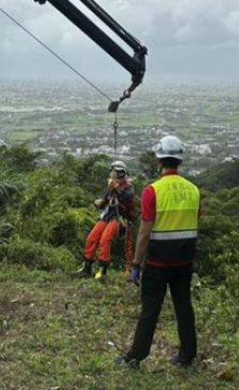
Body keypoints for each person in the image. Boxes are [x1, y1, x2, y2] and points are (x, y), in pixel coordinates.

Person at [117, 136, 200, 369]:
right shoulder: (194, 190)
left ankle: (136, 356)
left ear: (158, 160)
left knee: (150, 310)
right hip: (184, 261)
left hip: (158, 263)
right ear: (180, 161)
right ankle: (187, 355)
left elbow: (144, 232)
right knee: (184, 306)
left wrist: (136, 264)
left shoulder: (152, 191)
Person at [76, 160, 136, 280]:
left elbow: (127, 199)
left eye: (113, 171)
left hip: (119, 218)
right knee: (92, 238)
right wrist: (100, 203)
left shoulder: (128, 187)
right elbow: (105, 200)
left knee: (105, 240)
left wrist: (116, 189)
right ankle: (87, 267)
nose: (111, 173)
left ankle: (102, 270)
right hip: (107, 216)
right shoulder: (111, 186)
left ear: (120, 173)